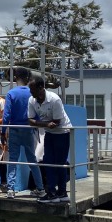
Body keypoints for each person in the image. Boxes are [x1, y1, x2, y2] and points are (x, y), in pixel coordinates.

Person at [28, 75, 73, 204]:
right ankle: (52, 193)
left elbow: (57, 122)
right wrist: (46, 125)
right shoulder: (32, 100)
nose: (31, 92)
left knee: (60, 162)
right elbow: (31, 120)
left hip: (62, 132)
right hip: (50, 132)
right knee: (48, 161)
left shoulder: (54, 99)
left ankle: (62, 192)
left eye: (33, 89)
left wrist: (43, 124)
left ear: (41, 87)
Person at [0, 67, 43, 199]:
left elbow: (6, 115)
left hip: (14, 129)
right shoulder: (31, 93)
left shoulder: (11, 93)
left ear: (15, 78)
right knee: (32, 160)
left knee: (13, 160)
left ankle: (11, 189)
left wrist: (3, 132)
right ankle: (40, 188)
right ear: (27, 78)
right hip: (29, 129)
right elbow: (37, 112)